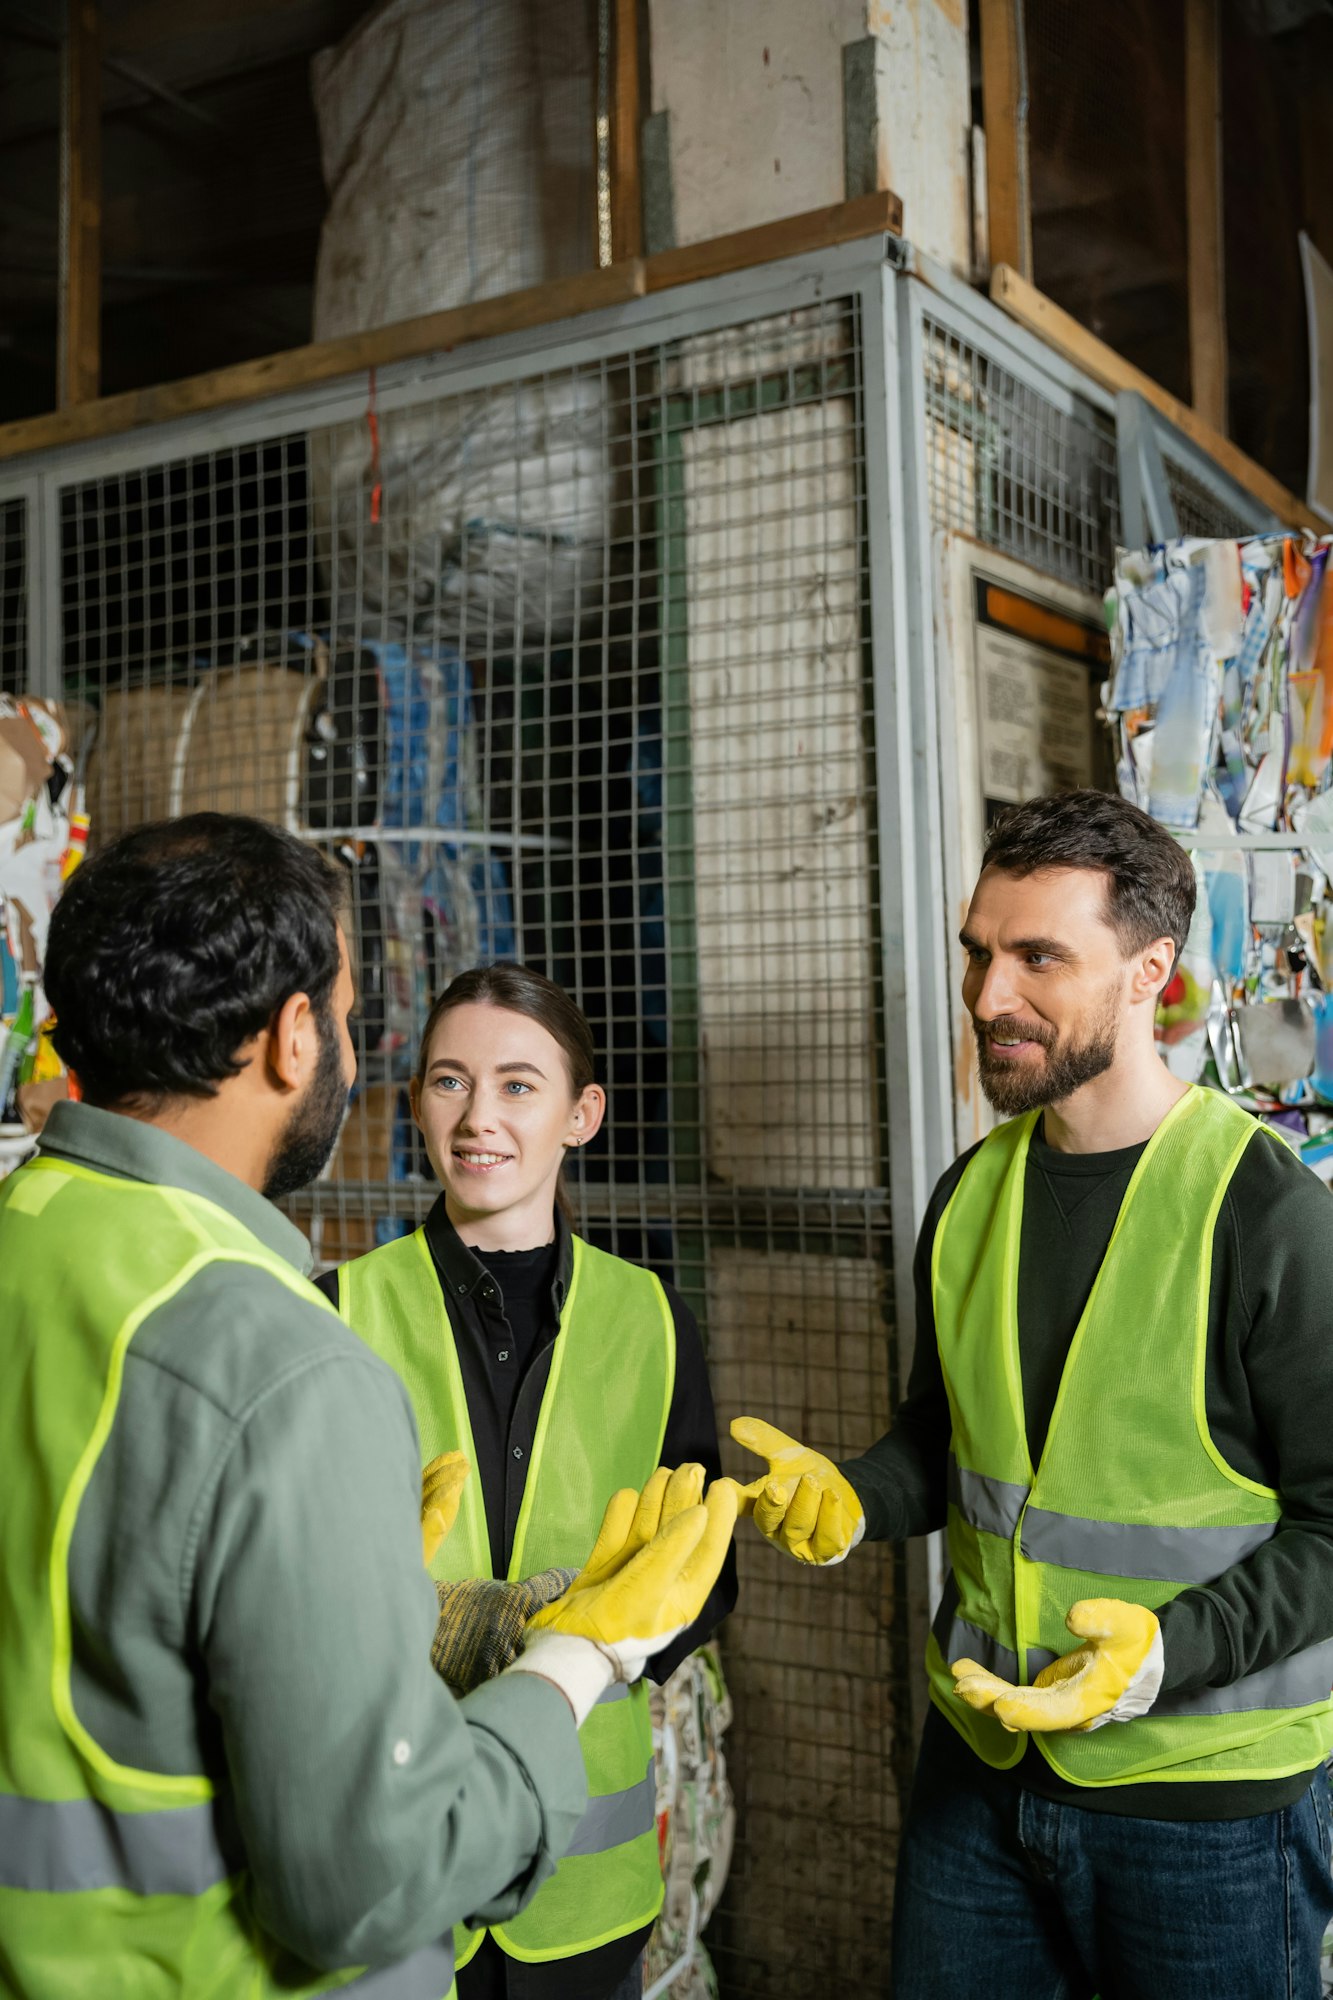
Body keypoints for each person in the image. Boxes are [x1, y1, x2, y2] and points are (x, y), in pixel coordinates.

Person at [0, 812, 737, 1999]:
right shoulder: (293, 1355)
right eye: (352, 1019)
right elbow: (371, 1874)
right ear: (296, 1037)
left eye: (517, 1084)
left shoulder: (32, 1242)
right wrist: (576, 1647)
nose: (474, 1114)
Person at [726, 790, 1333, 1999]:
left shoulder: (1269, 1218)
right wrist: (851, 1493)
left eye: (1037, 955)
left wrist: (1167, 1650)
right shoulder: (969, 1196)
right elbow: (940, 1443)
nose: (987, 993)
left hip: (1206, 1806)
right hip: (979, 1769)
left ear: (1149, 969)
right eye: (979, 950)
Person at [316, 963, 737, 2000]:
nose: (477, 1116)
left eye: (516, 1084)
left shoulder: (652, 1321)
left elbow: (705, 1578)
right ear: (416, 1102)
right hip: (400, 1863)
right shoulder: (335, 1309)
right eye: (449, 1081)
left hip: (583, 1879)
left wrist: (584, 1637)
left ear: (580, 1113)